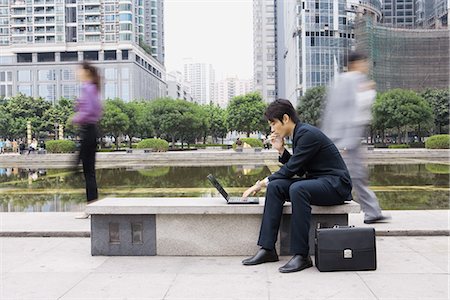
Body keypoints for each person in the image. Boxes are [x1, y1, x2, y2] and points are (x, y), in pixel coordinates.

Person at [241, 99, 352, 273]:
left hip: (335, 185)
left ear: (285, 119)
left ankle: (302, 255)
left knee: (297, 189)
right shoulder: (299, 134)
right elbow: (299, 169)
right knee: (276, 187)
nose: (272, 129)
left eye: (273, 123)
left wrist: (259, 184)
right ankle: (268, 248)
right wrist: (281, 151)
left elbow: (291, 169)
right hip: (319, 181)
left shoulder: (306, 133)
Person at [321, 51, 390, 224]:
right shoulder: (348, 80)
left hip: (349, 140)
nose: (365, 66)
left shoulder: (353, 80)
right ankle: (368, 211)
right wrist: (338, 142)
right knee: (350, 176)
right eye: (363, 62)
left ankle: (372, 211)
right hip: (344, 140)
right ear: (354, 64)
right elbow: (338, 112)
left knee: (358, 176)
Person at [72, 61, 103, 219]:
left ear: (86, 72)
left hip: (88, 131)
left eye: (79, 71)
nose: (77, 73)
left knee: (87, 173)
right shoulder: (93, 88)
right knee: (88, 173)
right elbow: (96, 109)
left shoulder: (87, 87)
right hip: (91, 131)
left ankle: (91, 208)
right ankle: (92, 207)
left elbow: (91, 110)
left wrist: (77, 117)